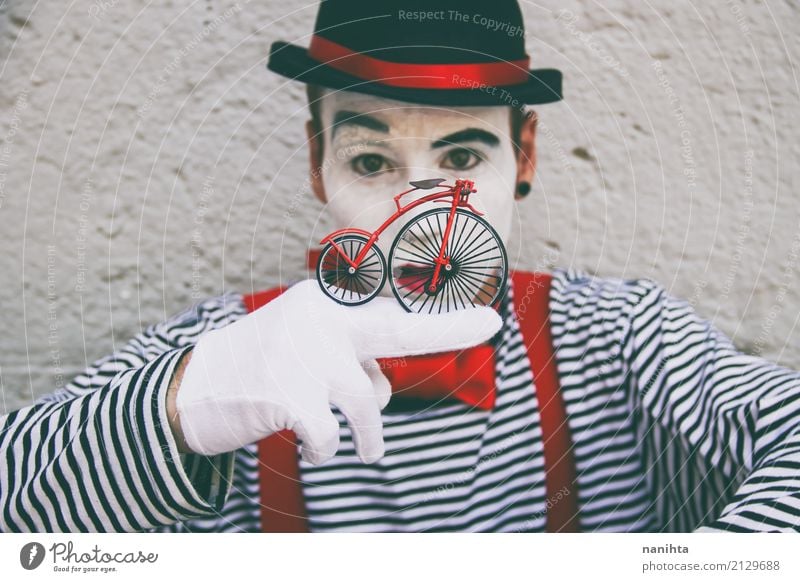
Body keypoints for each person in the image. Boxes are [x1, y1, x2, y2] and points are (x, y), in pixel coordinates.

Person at [2, 0, 799, 533]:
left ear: (523, 157)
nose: (418, 209)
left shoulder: (623, 342)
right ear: (319, 165)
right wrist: (176, 407)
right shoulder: (220, 347)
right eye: (373, 158)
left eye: (461, 152)